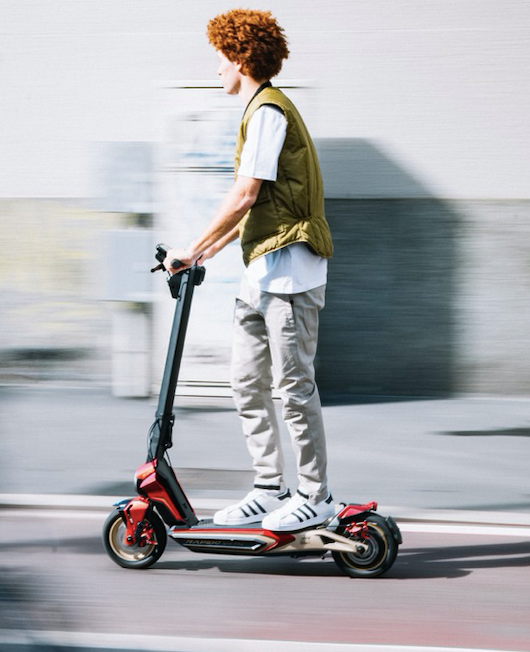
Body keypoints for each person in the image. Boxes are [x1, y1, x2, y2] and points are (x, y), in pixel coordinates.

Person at [164, 9, 335, 531]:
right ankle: (268, 486)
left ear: (240, 58)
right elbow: (264, 204)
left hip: (291, 275)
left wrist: (191, 246)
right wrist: (210, 249)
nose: (217, 68)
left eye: (220, 58)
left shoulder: (268, 112)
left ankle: (315, 494)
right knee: (246, 382)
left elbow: (246, 193)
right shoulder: (257, 111)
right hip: (260, 272)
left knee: (293, 387)